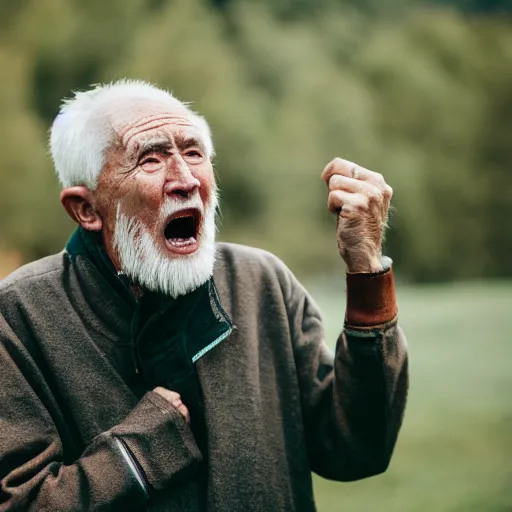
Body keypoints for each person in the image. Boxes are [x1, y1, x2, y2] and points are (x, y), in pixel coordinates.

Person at [0, 80, 408, 512]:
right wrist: (138, 453)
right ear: (86, 209)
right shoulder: (19, 317)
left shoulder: (260, 281)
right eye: (150, 159)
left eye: (194, 153)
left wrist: (367, 269)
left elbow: (357, 447)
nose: (186, 179)